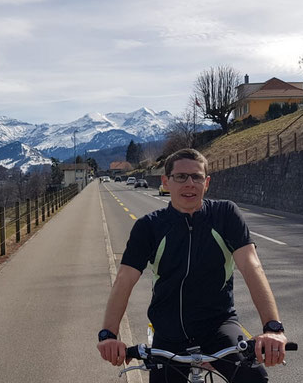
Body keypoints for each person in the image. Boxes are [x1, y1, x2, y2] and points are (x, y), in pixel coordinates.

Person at [96, 148, 288, 382]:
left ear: (206, 183)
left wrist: (273, 328)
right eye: (181, 177)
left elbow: (251, 266)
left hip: (219, 327)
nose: (189, 183)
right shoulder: (149, 227)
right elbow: (124, 279)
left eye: (196, 177)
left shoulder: (225, 215)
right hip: (168, 333)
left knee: (254, 379)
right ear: (166, 181)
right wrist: (109, 334)